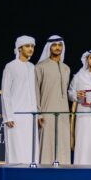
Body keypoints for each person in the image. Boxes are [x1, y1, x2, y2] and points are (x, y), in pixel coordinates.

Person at [1, 35, 39, 165]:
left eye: (32, 46)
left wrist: (36, 114)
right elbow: (5, 93)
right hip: (15, 116)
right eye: (27, 46)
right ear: (19, 48)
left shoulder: (32, 67)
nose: (31, 49)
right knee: (16, 149)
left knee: (31, 148)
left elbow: (33, 93)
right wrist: (8, 117)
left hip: (30, 116)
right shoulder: (10, 66)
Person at [35, 35, 72, 164]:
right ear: (49, 47)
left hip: (63, 112)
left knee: (63, 140)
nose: (57, 48)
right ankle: (45, 170)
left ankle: (63, 169)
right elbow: (35, 92)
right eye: (54, 45)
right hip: (46, 111)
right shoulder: (40, 67)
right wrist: (38, 113)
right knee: (47, 141)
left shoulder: (66, 68)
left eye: (60, 45)